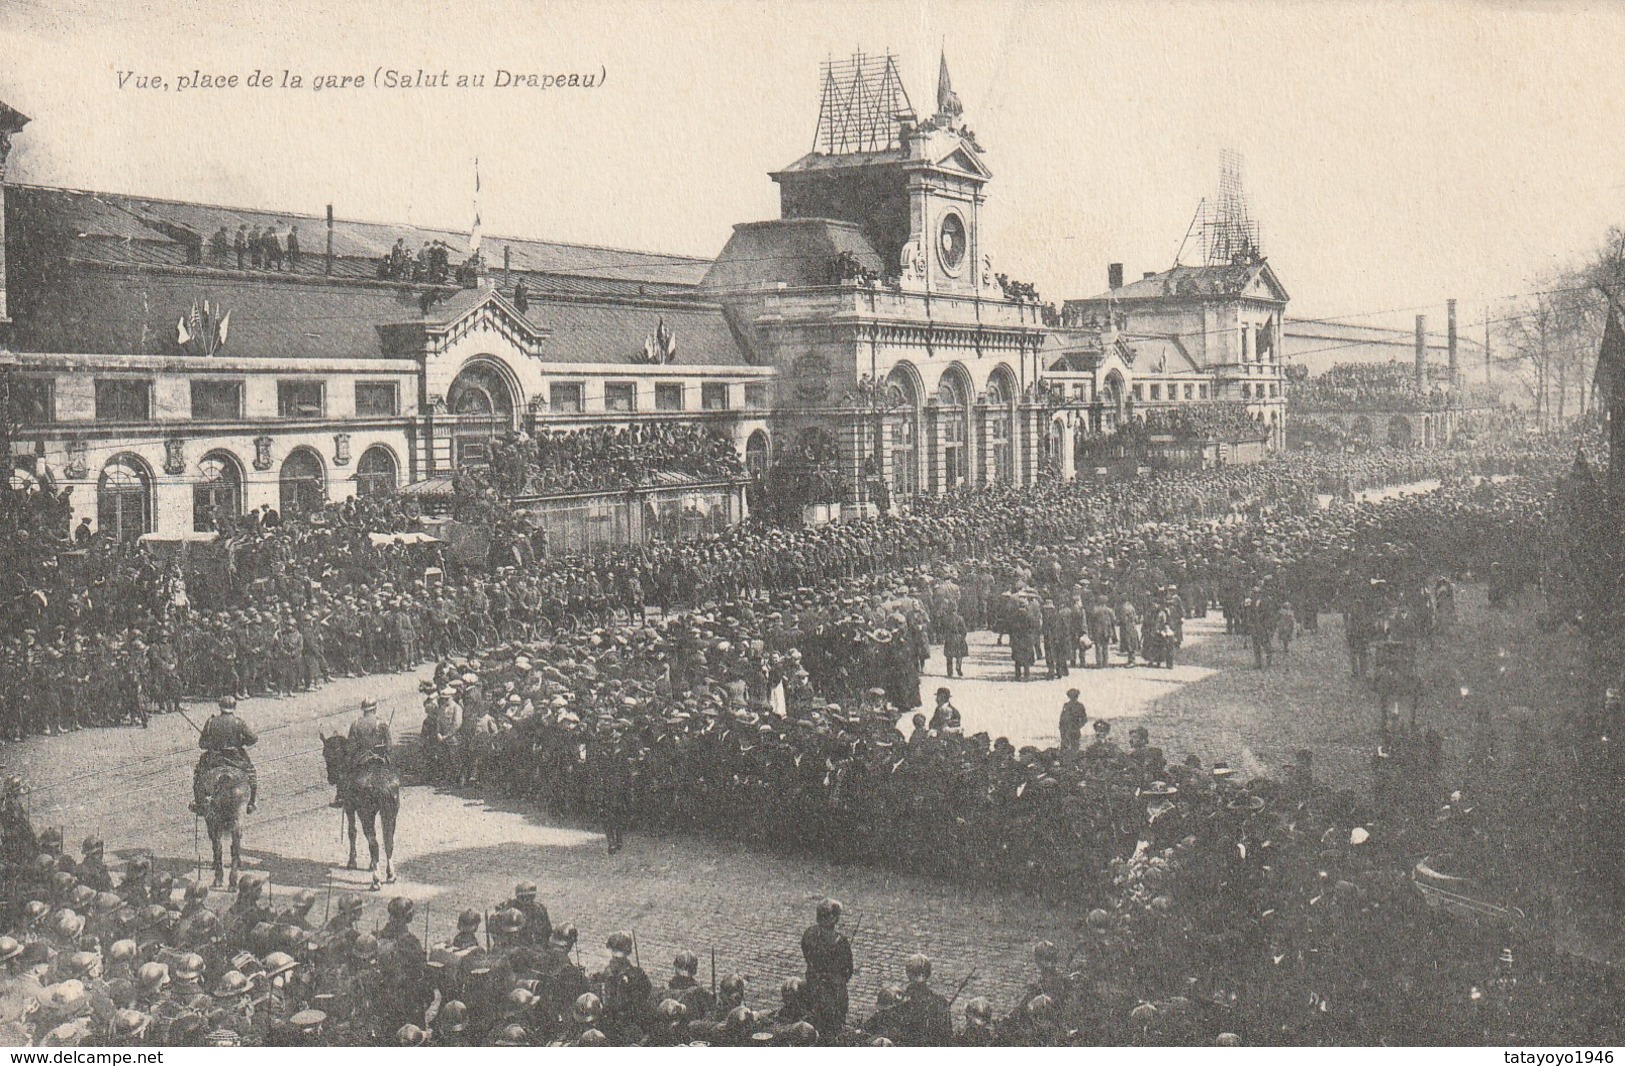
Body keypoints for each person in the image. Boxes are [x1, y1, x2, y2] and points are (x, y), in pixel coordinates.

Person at [190, 698, 257, 815]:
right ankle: (251, 803)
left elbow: (202, 744)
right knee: (251, 773)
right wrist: (242, 742)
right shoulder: (238, 722)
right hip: (236, 758)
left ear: (220, 707)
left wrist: (211, 742)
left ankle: (199, 804)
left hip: (214, 758)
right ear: (234, 708)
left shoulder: (211, 722)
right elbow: (253, 738)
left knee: (198, 775)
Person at [800, 898, 853, 1042]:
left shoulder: (808, 934)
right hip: (834, 994)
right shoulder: (840, 941)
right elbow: (848, 970)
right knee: (833, 1030)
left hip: (812, 986)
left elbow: (806, 955)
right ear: (835, 918)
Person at [332, 699, 391, 808]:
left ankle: (341, 796)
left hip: (361, 760)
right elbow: (388, 746)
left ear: (363, 710)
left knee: (346, 775)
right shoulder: (382, 723)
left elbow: (351, 747)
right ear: (375, 709)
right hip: (380, 760)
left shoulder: (355, 724)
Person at [939, 608, 968, 679]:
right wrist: (962, 637)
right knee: (959, 655)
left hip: (949, 638)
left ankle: (949, 672)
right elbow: (964, 630)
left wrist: (944, 636)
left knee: (949, 656)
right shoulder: (960, 618)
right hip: (958, 637)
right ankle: (958, 667)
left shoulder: (945, 618)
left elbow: (941, 628)